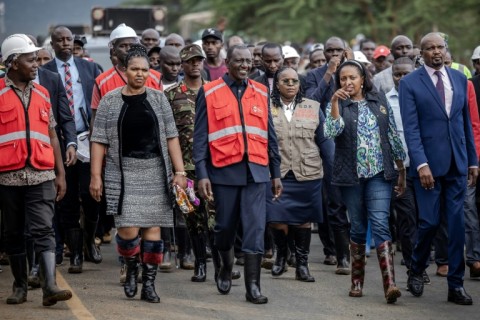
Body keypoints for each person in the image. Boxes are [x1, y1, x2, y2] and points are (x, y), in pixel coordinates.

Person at [89, 44, 187, 303]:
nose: (140, 74)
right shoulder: (110, 101)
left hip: (156, 171)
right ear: (124, 70)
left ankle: (149, 284)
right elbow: (98, 140)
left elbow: (171, 137)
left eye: (145, 69)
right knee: (128, 229)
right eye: (135, 69)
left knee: (153, 228)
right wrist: (95, 175)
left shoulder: (158, 99)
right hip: (123, 173)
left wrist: (180, 172)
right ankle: (132, 269)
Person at [193, 44, 283, 304]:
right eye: (238, 61)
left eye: (247, 61)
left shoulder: (261, 91)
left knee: (255, 228)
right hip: (223, 172)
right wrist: (202, 174)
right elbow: (200, 138)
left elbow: (270, 135)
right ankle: (224, 265)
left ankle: (252, 287)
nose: (245, 65)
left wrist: (275, 172)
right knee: (224, 227)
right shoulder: (209, 92)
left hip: (256, 171)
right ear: (227, 61)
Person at [400, 32, 478, 305]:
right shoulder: (410, 83)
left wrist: (472, 160)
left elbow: (465, 122)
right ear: (421, 53)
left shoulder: (459, 79)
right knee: (429, 222)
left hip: (457, 163)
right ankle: (417, 268)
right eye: (430, 48)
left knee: (456, 225)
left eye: (440, 47)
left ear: (446, 50)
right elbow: (411, 128)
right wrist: (421, 163)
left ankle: (455, 285)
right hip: (428, 167)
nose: (436, 51)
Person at [324, 59, 406, 303]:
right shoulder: (339, 104)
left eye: (352, 78)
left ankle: (390, 284)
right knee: (358, 227)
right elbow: (331, 131)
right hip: (351, 177)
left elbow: (391, 134)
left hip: (380, 175)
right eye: (343, 79)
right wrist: (335, 102)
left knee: (380, 222)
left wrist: (401, 169)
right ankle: (357, 281)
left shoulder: (378, 101)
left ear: (362, 79)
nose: (348, 82)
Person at [0, 33, 72, 307]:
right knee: (14, 233)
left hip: (42, 173)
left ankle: (50, 285)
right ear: (14, 62)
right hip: (8, 176)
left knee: (43, 230)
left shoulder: (42, 93)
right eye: (31, 60)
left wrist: (60, 173)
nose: (36, 65)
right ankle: (20, 287)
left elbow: (52, 135)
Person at [44, 26, 103, 273]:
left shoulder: (89, 68)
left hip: (88, 139)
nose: (66, 43)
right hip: (59, 142)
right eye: (61, 40)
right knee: (66, 199)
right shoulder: (45, 72)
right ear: (53, 44)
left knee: (91, 196)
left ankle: (90, 241)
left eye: (69, 39)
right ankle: (75, 253)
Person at [267, 66, 334, 282]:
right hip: (277, 173)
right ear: (276, 84)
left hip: (308, 173)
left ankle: (302, 265)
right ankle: (280, 257)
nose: (290, 84)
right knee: (277, 219)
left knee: (303, 221)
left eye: (294, 81)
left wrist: (333, 168)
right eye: (284, 81)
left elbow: (324, 140)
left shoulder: (312, 107)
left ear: (299, 84)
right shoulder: (267, 108)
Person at [386, 57, 431, 284]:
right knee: (406, 220)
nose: (402, 79)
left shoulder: (424, 97)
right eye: (397, 74)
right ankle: (415, 269)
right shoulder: (385, 102)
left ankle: (422, 260)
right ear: (391, 75)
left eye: (406, 74)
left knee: (427, 218)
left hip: (425, 168)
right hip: (399, 170)